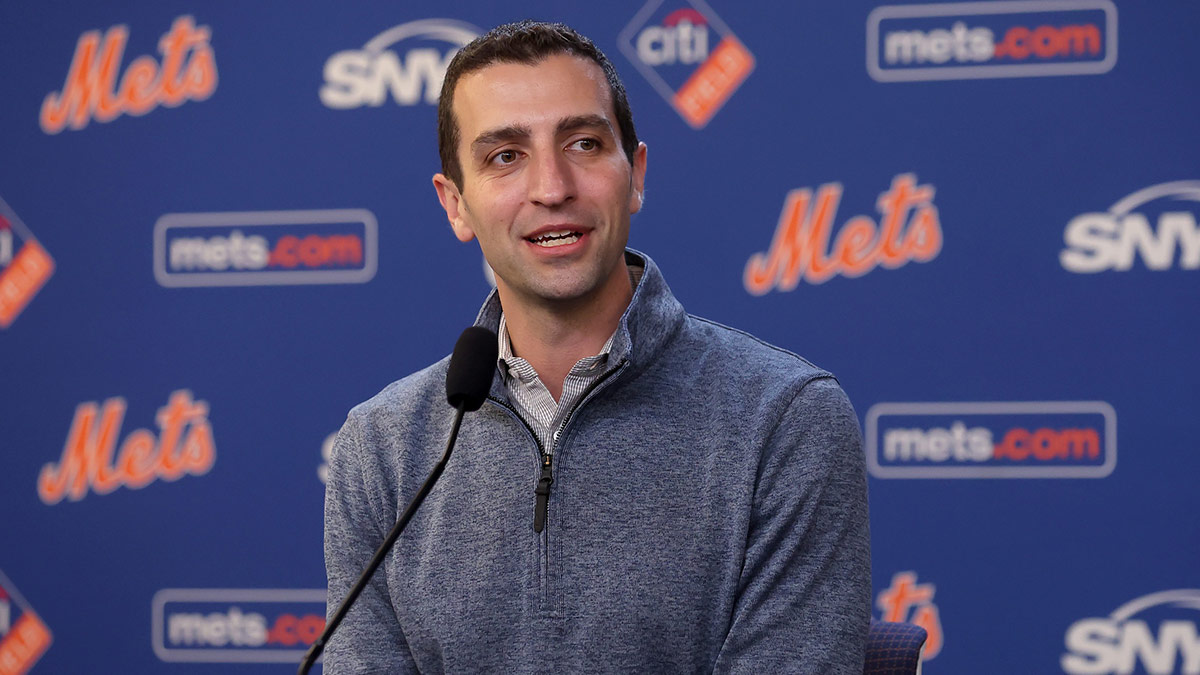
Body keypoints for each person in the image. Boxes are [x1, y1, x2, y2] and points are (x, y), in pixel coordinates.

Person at [323, 20, 870, 673]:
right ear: (456, 205)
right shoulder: (379, 447)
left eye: (583, 143)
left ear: (634, 174)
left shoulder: (786, 419)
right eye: (505, 155)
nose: (552, 187)